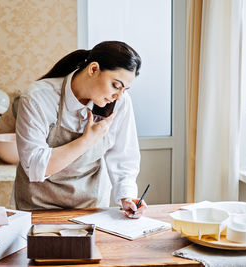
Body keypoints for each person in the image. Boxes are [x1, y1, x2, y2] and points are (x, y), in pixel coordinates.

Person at [12, 41, 147, 218]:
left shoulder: (119, 102)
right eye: (115, 85)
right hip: (38, 208)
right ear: (93, 69)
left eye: (125, 89)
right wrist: (86, 141)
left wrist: (127, 197)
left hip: (91, 208)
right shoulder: (37, 97)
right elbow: (36, 166)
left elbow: (124, 157)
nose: (118, 96)